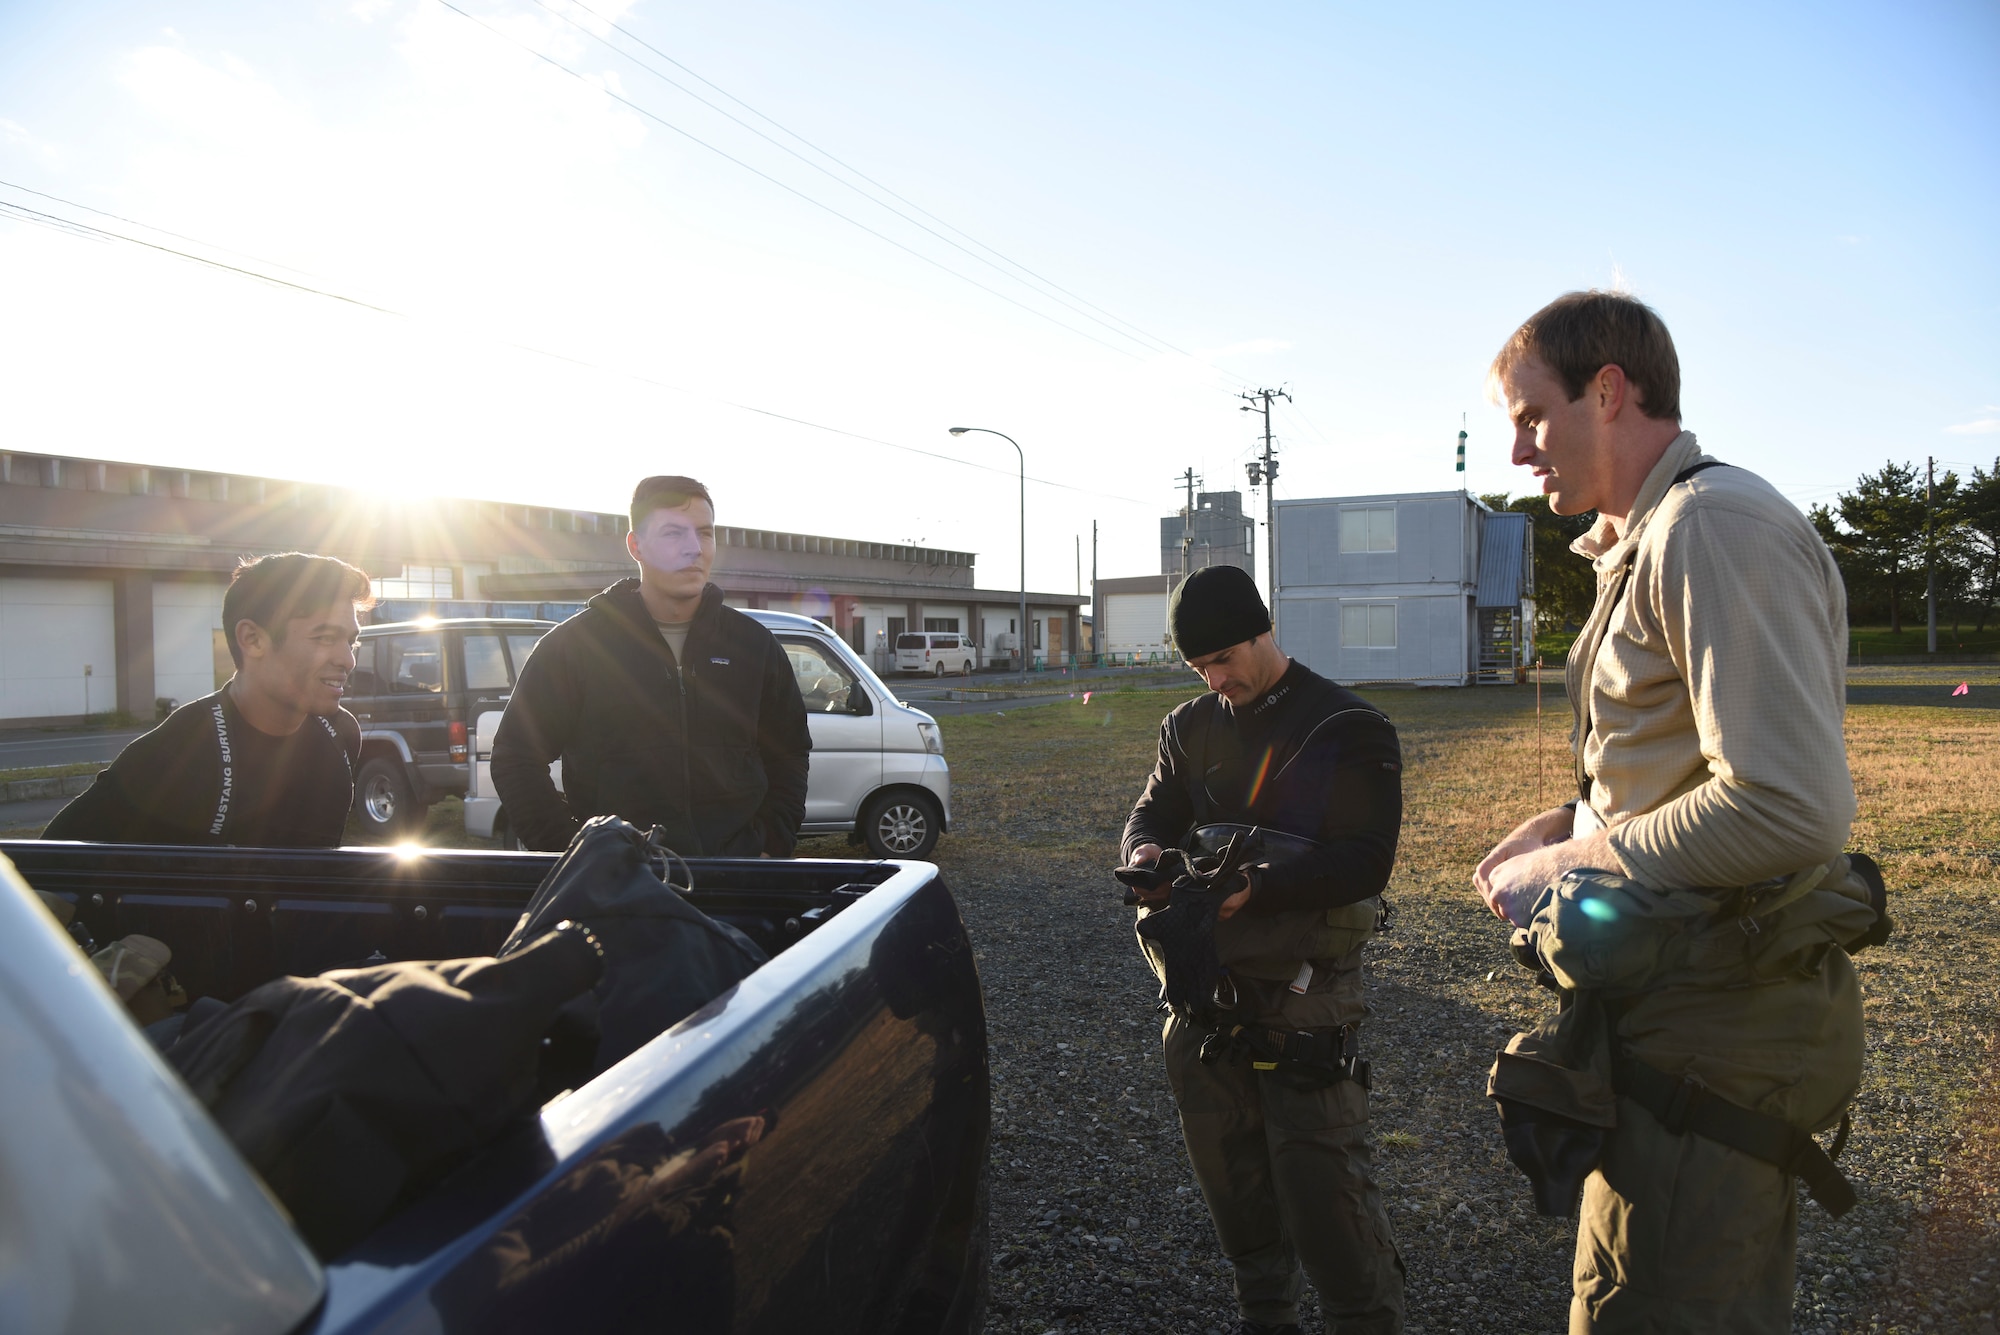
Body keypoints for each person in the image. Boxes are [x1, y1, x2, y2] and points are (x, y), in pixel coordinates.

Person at [1474, 290, 1864, 1332]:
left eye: (1529, 416)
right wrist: (1569, 819)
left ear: (1607, 392)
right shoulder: (1646, 538)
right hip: (1667, 1017)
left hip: (1715, 1032)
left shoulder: (1711, 527)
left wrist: (1571, 866)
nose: (1516, 451)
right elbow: (1684, 758)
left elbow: (1787, 808)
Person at [1120, 565, 1406, 1335]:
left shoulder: (1349, 726)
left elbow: (1367, 860)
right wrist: (1146, 858)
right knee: (1236, 1195)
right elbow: (1150, 815)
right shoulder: (1190, 726)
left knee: (1329, 1204)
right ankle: (1265, 1317)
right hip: (1204, 1001)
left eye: (1224, 659)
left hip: (1306, 1003)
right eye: (1198, 667)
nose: (1216, 679)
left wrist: (1262, 886)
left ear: (1262, 630)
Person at [491, 475, 811, 856]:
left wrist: (772, 843)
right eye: (673, 534)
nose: (694, 549)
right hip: (618, 891)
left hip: (738, 885)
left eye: (705, 533)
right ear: (635, 545)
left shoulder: (754, 645)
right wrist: (573, 852)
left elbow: (789, 752)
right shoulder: (575, 647)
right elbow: (516, 756)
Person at [43, 552, 367, 846]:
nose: (347, 660)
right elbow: (44, 868)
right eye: (325, 638)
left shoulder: (341, 733)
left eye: (351, 642)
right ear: (252, 639)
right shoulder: (176, 752)